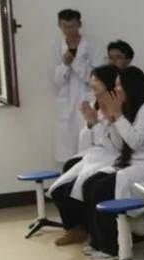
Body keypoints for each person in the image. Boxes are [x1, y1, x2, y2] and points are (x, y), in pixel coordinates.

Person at [87, 66, 144, 260]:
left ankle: (111, 248)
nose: (116, 89)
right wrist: (112, 119)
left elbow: (135, 141)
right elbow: (121, 145)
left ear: (132, 86)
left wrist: (117, 115)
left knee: (102, 189)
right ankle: (98, 242)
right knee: (93, 184)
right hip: (137, 165)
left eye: (120, 85)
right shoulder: (132, 108)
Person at [49, 65, 121, 248]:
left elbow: (116, 144)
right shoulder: (95, 104)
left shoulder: (118, 106)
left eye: (96, 80)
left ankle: (88, 229)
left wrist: (95, 123)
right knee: (60, 187)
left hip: (112, 157)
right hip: (96, 154)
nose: (92, 83)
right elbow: (86, 143)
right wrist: (90, 124)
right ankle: (75, 228)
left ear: (107, 83)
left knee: (82, 187)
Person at [52, 9, 100, 164]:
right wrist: (65, 65)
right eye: (65, 26)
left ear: (79, 24)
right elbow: (55, 81)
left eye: (72, 26)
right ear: (59, 25)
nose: (69, 30)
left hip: (87, 101)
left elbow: (96, 78)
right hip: (65, 106)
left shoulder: (92, 46)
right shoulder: (56, 47)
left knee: (88, 149)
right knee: (67, 153)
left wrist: (75, 62)